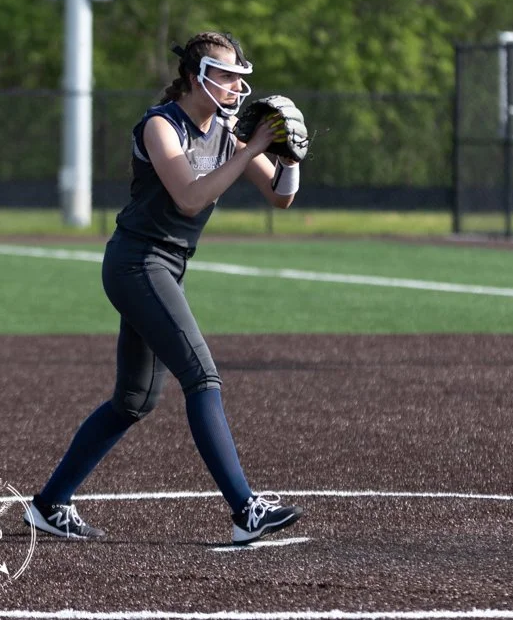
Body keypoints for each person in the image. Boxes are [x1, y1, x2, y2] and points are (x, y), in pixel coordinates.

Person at [24, 31, 304, 545]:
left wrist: (289, 159)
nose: (235, 85)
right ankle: (245, 510)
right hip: (136, 263)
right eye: (225, 75)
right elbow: (189, 198)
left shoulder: (226, 131)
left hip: (165, 267)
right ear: (195, 77)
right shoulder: (162, 124)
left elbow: (280, 197)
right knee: (202, 376)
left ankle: (49, 504)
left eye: (239, 76)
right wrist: (252, 148)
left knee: (134, 400)